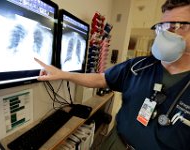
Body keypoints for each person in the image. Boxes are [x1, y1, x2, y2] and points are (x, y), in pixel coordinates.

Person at [35, 0, 190, 149]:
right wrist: (64, 74)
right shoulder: (138, 66)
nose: (166, 34)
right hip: (116, 143)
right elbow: (101, 78)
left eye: (177, 26)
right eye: (163, 27)